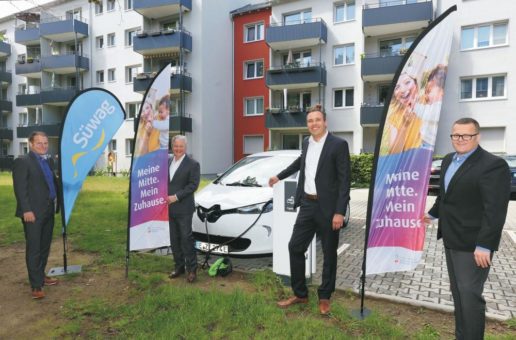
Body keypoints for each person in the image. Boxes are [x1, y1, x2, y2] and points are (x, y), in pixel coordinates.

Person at [424, 118, 510, 340]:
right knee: (459, 295)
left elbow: (495, 211)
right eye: (456, 135)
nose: (460, 140)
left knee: (470, 297)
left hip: (474, 245)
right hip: (451, 238)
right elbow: (445, 195)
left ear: (477, 137)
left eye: (466, 135)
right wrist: (431, 214)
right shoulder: (448, 160)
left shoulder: (492, 165)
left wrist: (485, 245)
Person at [269, 105, 351, 315]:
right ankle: (300, 294)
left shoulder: (338, 145)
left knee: (329, 254)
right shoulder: (306, 143)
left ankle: (324, 296)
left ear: (325, 122)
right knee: (295, 246)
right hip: (307, 204)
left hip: (329, 208)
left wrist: (340, 211)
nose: (313, 124)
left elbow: (344, 181)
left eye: (317, 120)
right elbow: (300, 163)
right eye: (310, 121)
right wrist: (279, 176)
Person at [12, 131, 60, 299]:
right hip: (32, 213)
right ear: (31, 144)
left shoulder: (48, 161)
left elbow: (50, 183)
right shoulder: (22, 162)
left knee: (45, 246)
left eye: (45, 143)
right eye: (39, 143)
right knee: (34, 249)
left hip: (48, 211)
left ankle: (41, 275)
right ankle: (36, 285)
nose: (43, 146)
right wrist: (26, 210)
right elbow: (20, 189)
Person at [167, 135, 201, 283]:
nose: (178, 149)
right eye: (176, 146)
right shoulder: (167, 162)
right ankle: (179, 267)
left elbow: (193, 185)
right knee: (174, 240)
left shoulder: (193, 164)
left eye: (181, 146)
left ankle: (192, 270)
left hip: (184, 208)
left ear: (185, 147)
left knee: (186, 239)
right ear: (172, 146)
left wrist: (176, 196)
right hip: (169, 208)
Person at [380, 72, 423, 155]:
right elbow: (394, 153)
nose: (402, 90)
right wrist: (404, 126)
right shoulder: (395, 117)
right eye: (397, 87)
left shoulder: (428, 103)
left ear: (416, 85)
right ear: (395, 95)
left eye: (407, 82)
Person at [415, 64, 448, 149]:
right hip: (424, 143)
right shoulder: (433, 105)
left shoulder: (440, 107)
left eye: (429, 91)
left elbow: (426, 113)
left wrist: (414, 105)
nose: (427, 95)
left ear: (442, 92)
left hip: (430, 146)